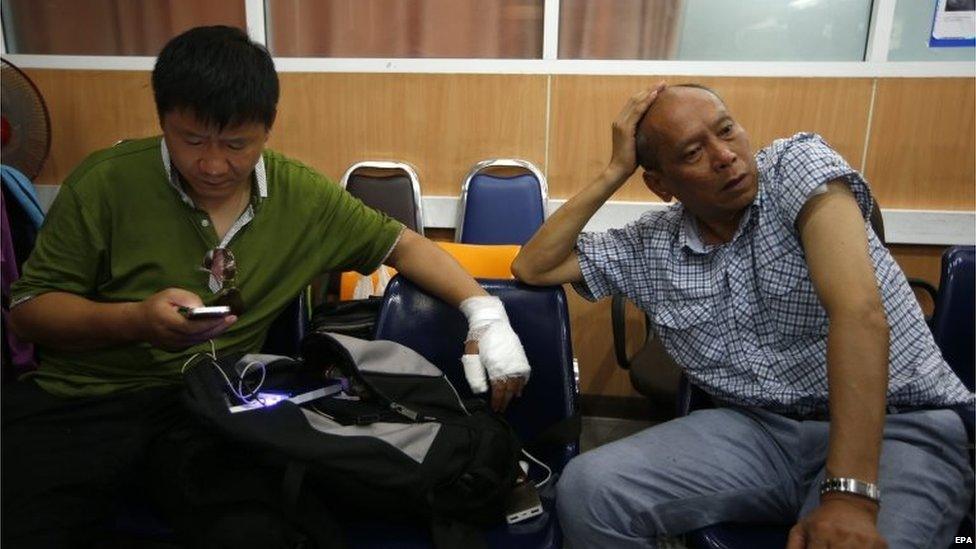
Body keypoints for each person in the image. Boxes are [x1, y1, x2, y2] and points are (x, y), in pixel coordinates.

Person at [3, 25, 530, 548]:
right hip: (83, 401)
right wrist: (134, 321)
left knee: (266, 531)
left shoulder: (301, 197)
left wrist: (484, 313)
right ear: (162, 120)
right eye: (191, 140)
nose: (213, 164)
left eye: (236, 144)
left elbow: (404, 246)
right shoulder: (105, 183)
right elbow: (28, 312)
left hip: (209, 406)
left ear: (267, 127)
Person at [512, 83, 974, 548]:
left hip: (896, 429)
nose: (725, 156)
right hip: (757, 431)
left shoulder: (797, 169)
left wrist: (848, 497)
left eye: (727, 130)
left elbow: (859, 314)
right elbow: (534, 265)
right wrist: (615, 171)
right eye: (693, 152)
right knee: (589, 490)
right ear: (661, 185)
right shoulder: (649, 246)